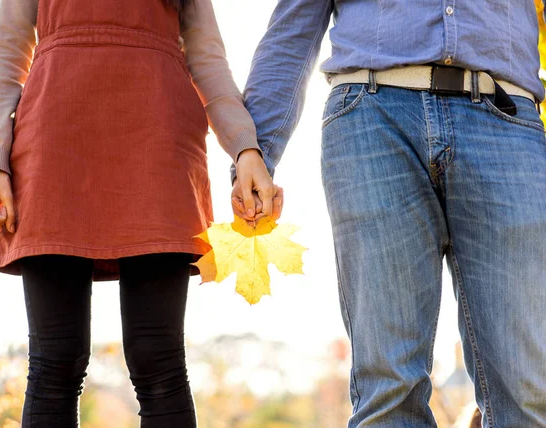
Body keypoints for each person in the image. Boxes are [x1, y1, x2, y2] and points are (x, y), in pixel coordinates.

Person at [232, 1, 546, 426]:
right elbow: (293, 28)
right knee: (389, 391)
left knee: (527, 390)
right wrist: (255, 148)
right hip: (371, 115)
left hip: (506, 116)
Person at [0, 0, 276, 425]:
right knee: (55, 359)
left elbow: (208, 58)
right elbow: (6, 53)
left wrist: (245, 147)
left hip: (158, 144)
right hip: (53, 146)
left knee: (159, 359)